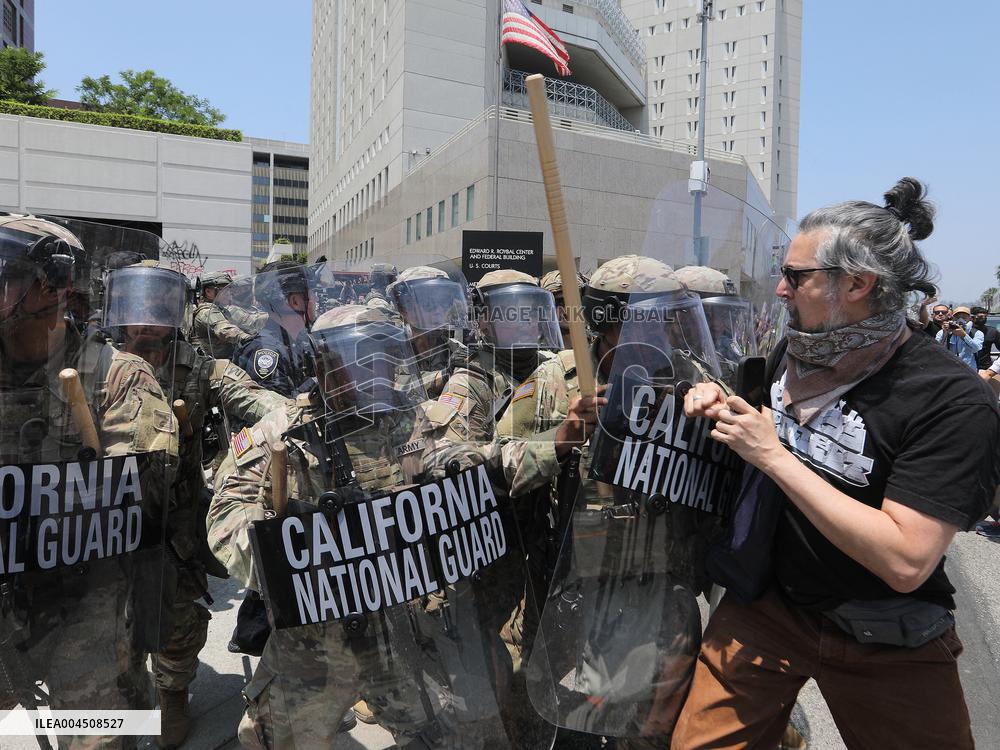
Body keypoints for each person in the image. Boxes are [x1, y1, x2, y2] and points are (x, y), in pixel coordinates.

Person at [673, 177, 1000, 750]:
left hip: (885, 631)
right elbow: (772, 426)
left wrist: (773, 456)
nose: (780, 289)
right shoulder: (797, 349)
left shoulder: (950, 399)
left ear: (856, 283)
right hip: (768, 606)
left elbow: (906, 559)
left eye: (796, 276)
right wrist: (720, 403)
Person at [207, 304, 546, 749]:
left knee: (442, 734)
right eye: (361, 360)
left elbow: (461, 460)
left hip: (398, 627)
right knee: (269, 739)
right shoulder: (282, 433)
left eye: (385, 357)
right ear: (324, 367)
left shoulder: (407, 421)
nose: (377, 371)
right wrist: (293, 539)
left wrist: (552, 447)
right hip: (315, 635)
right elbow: (225, 518)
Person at [0, 215, 178, 748]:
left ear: (50, 287)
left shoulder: (116, 375)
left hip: (84, 591)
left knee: (97, 728)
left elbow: (145, 493)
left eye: (5, 278)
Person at [103, 261, 290, 748]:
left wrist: (303, 414)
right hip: (104, 522)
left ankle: (172, 694)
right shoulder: (97, 364)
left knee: (177, 619)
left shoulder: (199, 367)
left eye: (157, 305)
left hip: (174, 519)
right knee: (108, 630)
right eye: (136, 306)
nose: (146, 319)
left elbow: (257, 399)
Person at [190, 270, 256, 358]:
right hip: (214, 363)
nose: (229, 293)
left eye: (229, 289)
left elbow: (249, 320)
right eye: (224, 289)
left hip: (232, 358)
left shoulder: (223, 309)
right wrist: (247, 338)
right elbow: (224, 329)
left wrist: (269, 318)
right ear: (208, 292)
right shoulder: (206, 312)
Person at [971, 305, 999, 370]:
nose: (983, 318)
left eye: (985, 317)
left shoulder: (992, 331)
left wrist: (995, 366)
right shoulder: (965, 331)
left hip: (985, 368)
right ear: (972, 317)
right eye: (980, 317)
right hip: (967, 367)